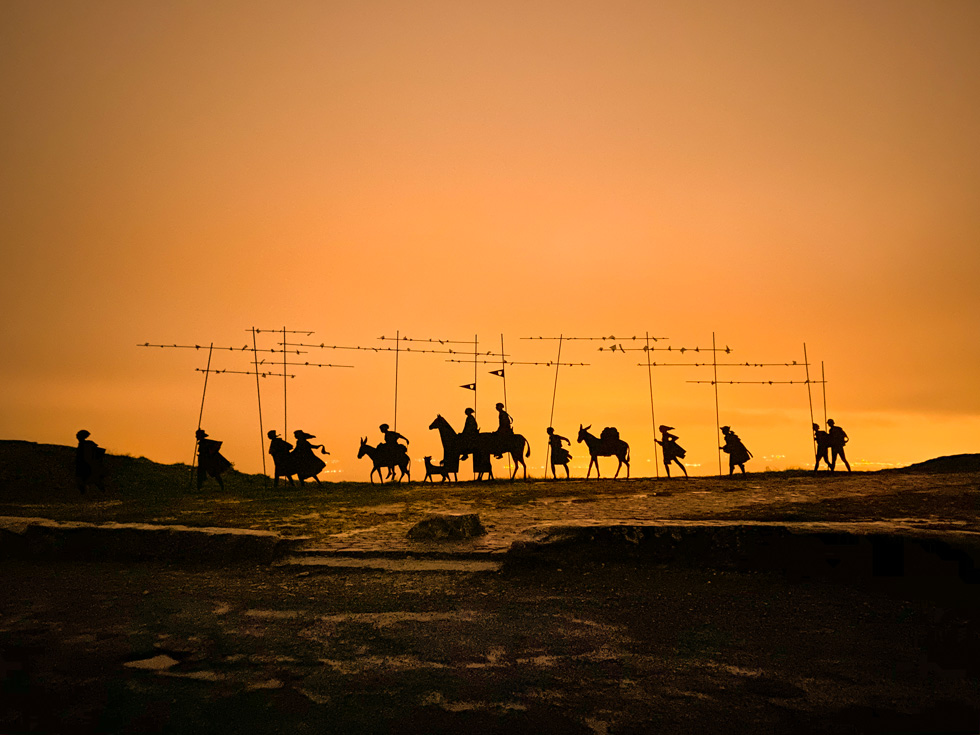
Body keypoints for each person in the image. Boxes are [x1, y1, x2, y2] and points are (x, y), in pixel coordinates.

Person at [75, 429, 106, 494]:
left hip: (86, 464)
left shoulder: (87, 444)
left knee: (91, 479)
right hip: (84, 464)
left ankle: (103, 492)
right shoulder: (86, 444)